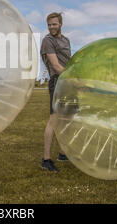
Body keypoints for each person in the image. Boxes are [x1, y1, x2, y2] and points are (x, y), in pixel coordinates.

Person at [39, 12, 71, 172]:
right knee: (54, 120)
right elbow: (57, 66)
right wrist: (74, 78)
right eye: (49, 24)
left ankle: (63, 153)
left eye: (54, 24)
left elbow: (68, 62)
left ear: (60, 24)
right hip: (57, 82)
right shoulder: (47, 41)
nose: (51, 27)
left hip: (68, 82)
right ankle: (46, 159)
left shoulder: (66, 40)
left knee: (67, 119)